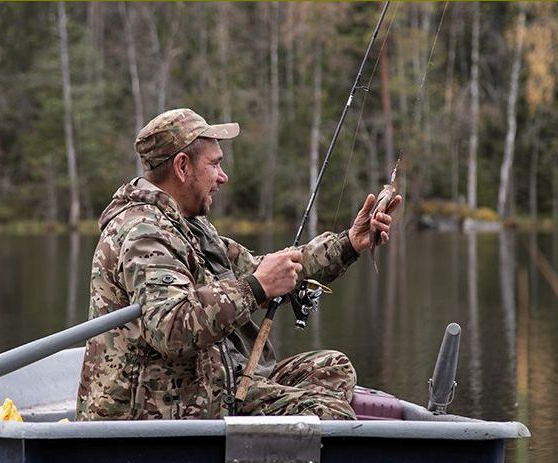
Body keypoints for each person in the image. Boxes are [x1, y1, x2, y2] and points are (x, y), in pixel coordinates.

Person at [76, 108, 400, 421]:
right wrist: (255, 288)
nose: (223, 177)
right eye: (215, 165)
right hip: (156, 413)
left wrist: (349, 243)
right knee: (328, 414)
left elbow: (267, 268)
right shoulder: (144, 233)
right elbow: (172, 328)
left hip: (211, 385)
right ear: (182, 167)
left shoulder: (188, 225)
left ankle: (262, 453)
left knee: (332, 367)